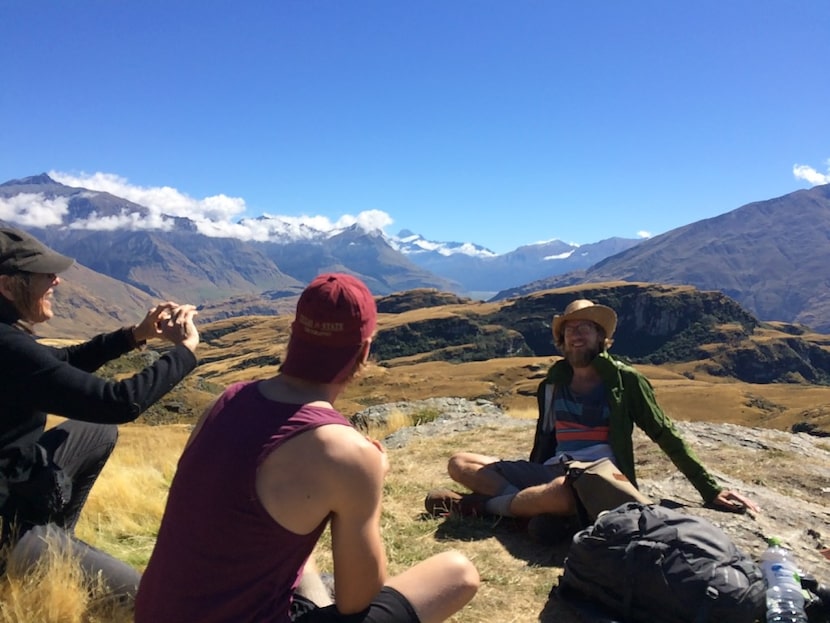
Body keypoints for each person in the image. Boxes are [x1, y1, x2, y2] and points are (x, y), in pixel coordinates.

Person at [135, 273, 479, 623]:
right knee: (457, 572)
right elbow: (357, 601)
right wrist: (371, 482)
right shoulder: (347, 454)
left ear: (292, 333)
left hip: (154, 614)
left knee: (294, 541)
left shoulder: (227, 399)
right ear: (365, 349)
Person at [425, 298, 759, 535]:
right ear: (561, 339)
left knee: (561, 493)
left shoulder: (625, 380)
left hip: (597, 478)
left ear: (602, 337)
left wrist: (709, 489)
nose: (576, 333)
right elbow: (545, 439)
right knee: (460, 462)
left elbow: (664, 433)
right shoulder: (552, 384)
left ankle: (482, 507)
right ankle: (528, 512)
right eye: (570, 328)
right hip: (553, 469)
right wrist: (534, 472)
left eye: (586, 326)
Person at [0, 225, 200, 598]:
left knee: (96, 431)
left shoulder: (9, 337)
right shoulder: (6, 346)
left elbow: (62, 361)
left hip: (20, 481)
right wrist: (185, 352)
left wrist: (135, 335)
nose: (57, 281)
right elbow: (118, 403)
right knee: (147, 600)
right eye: (45, 274)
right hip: (6, 520)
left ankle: (59, 537)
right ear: (7, 286)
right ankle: (41, 552)